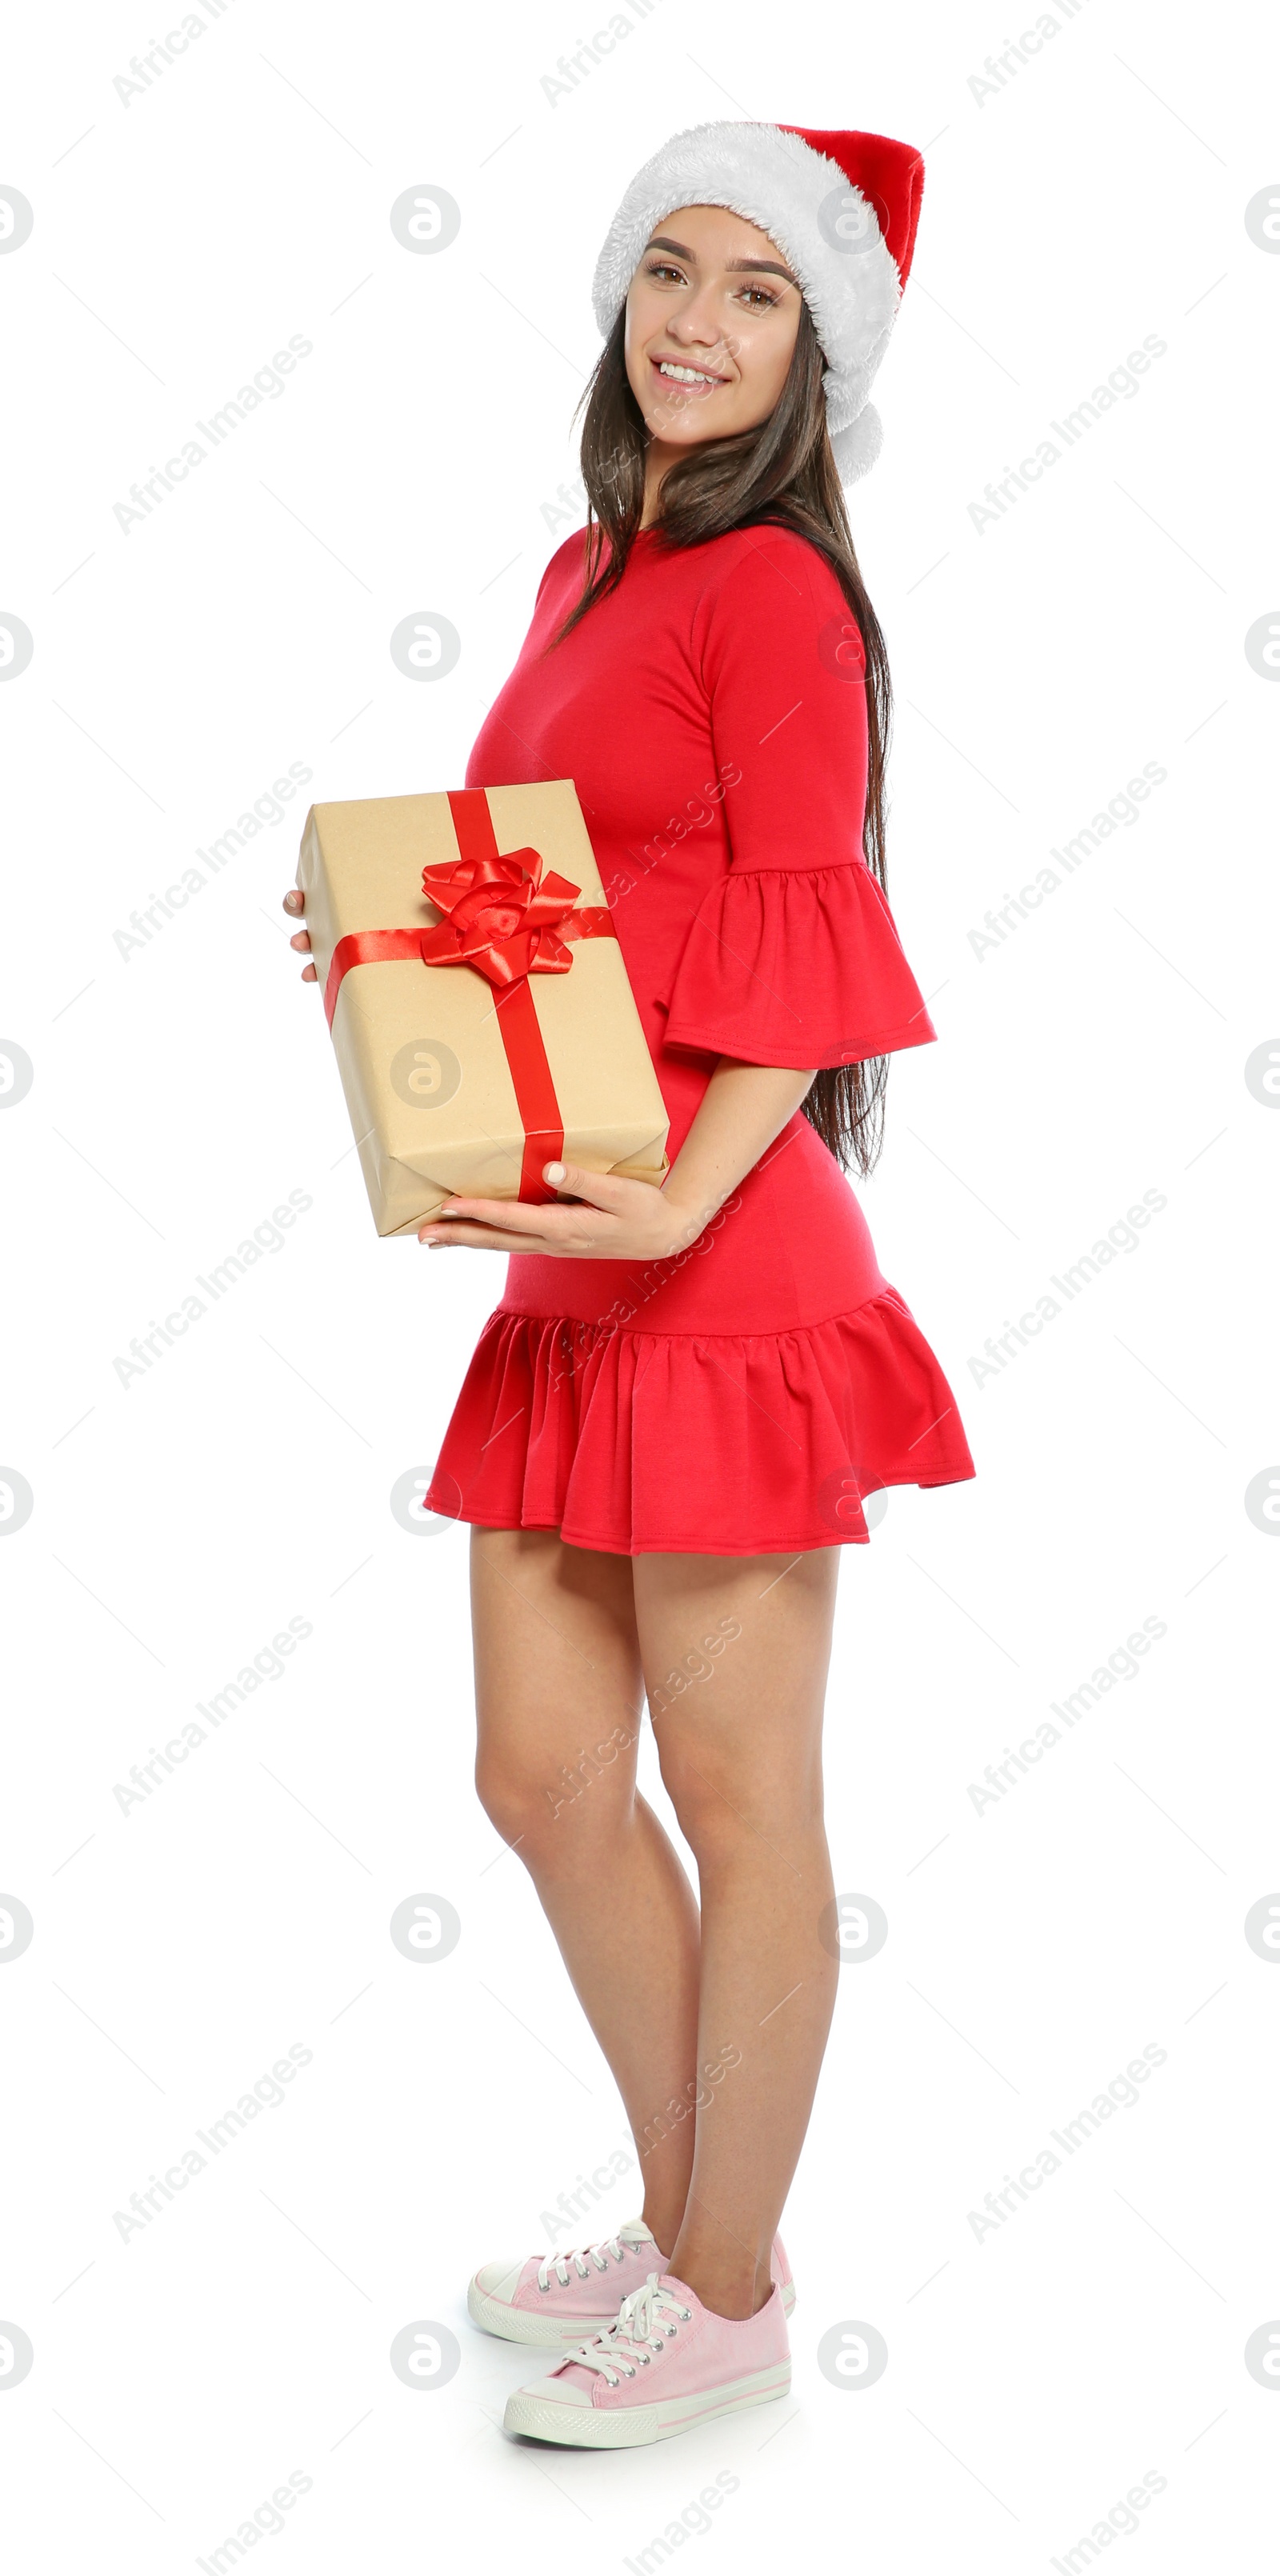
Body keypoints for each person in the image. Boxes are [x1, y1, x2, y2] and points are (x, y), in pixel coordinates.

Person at [285, 118, 976, 2450]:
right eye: (666, 271)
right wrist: (385, 948)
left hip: (722, 1261)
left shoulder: (774, 585)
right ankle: (694, 2214)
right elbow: (574, 906)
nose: (692, 319)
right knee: (546, 1770)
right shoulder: (600, 561)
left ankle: (720, 2283)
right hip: (581, 1256)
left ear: (816, 349)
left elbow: (805, 932)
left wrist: (679, 1202)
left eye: (755, 291)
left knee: (739, 1787)